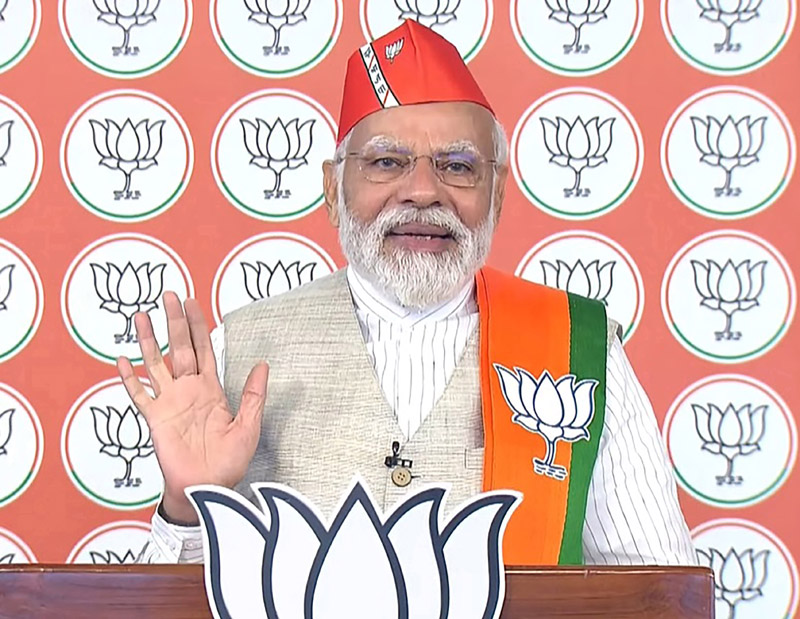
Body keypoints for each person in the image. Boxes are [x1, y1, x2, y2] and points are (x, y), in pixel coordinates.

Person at [120, 20, 696, 566]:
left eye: (458, 166)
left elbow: (656, 596)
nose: (422, 191)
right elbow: (172, 605)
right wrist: (186, 506)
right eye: (386, 161)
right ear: (332, 189)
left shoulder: (575, 349)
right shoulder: (239, 349)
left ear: (496, 194)